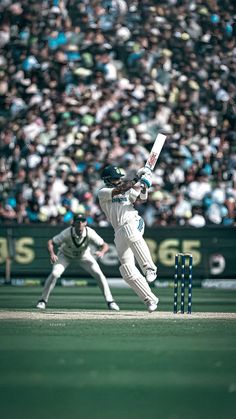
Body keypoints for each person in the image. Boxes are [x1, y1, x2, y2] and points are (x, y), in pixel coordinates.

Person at [98, 165, 159, 312]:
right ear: (107, 180)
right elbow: (120, 190)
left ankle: (150, 269)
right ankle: (150, 299)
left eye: (120, 178)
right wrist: (139, 178)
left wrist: (145, 185)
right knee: (126, 269)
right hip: (119, 230)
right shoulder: (103, 192)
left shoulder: (126, 188)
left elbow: (142, 199)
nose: (118, 181)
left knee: (130, 231)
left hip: (134, 222)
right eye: (115, 178)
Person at [36, 214, 119, 311]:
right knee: (54, 274)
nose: (80, 223)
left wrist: (102, 252)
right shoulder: (66, 233)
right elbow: (51, 242)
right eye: (78, 221)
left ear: (86, 223)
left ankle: (110, 301)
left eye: (82, 221)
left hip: (84, 256)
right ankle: (42, 300)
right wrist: (52, 254)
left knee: (99, 274)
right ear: (73, 223)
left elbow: (104, 245)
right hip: (65, 255)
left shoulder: (90, 232)